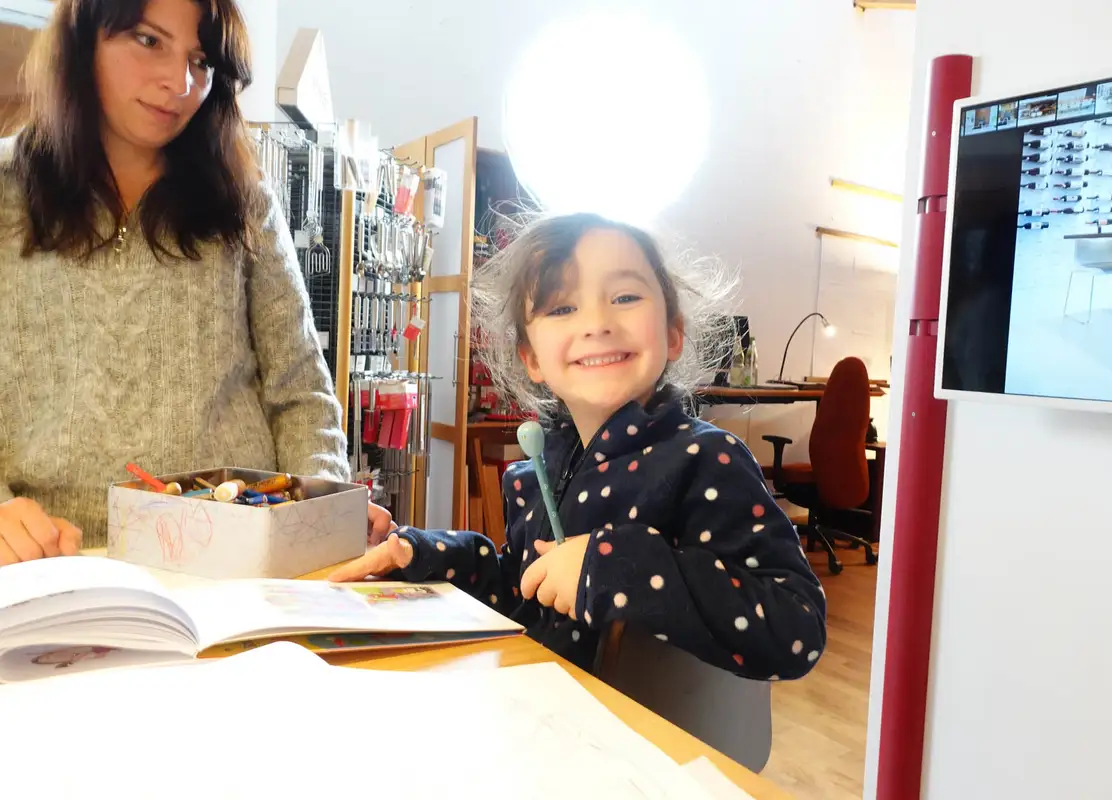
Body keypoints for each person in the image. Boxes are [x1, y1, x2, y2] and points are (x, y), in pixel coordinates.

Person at [330, 213, 828, 680]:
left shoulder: (705, 460)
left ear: (673, 332)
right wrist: (419, 552)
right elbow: (523, 590)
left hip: (628, 736)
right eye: (563, 307)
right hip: (537, 712)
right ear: (532, 358)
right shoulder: (536, 472)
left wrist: (612, 567)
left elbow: (797, 625)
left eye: (625, 297)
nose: (596, 324)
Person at [0, 0, 391, 566]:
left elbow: (300, 389)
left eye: (201, 61)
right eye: (148, 40)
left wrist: (322, 519)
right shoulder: (7, 189)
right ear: (82, 39)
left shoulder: (244, 203)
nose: (180, 83)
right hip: (50, 567)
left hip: (234, 562)